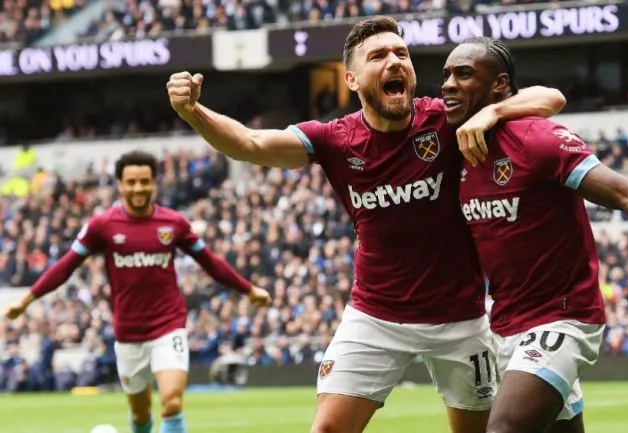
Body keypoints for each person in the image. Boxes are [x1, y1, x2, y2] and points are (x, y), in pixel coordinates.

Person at [166, 16, 565, 433]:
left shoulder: (445, 119)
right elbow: (250, 143)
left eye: (402, 54)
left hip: (460, 320)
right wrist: (193, 111)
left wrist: (493, 113)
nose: (395, 61)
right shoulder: (334, 139)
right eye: (378, 56)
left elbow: (550, 97)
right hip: (375, 317)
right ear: (352, 79)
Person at [442, 37, 628, 433]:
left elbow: (623, 192)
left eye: (463, 74)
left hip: (562, 318)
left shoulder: (535, 138)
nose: (448, 84)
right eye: (445, 75)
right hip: (505, 324)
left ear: (499, 84)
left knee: (502, 429)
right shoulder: (449, 143)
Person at [4, 151, 271, 433]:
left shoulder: (173, 223)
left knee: (172, 403)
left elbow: (210, 262)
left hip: (169, 326)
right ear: (120, 184)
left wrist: (248, 289)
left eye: (145, 181)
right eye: (131, 182)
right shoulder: (102, 226)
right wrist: (26, 299)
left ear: (154, 183)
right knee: (141, 415)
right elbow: (66, 265)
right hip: (128, 334)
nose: (138, 188)